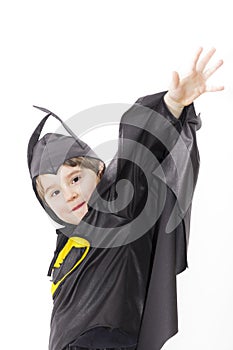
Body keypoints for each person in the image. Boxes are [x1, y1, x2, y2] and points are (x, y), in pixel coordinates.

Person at [27, 47, 223, 350]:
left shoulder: (118, 215)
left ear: (100, 171)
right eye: (55, 191)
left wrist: (170, 105)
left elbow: (136, 151)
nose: (70, 194)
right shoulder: (65, 248)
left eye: (75, 178)